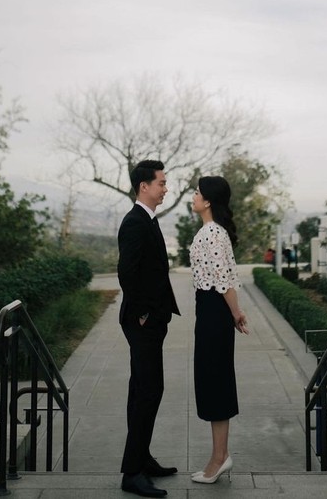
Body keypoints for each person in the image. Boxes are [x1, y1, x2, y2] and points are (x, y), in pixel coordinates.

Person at [117, 159, 180, 498]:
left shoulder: (148, 218)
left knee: (141, 389)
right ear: (144, 186)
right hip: (142, 321)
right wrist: (143, 313)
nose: (165, 188)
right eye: (161, 183)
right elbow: (126, 271)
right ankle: (131, 473)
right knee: (149, 391)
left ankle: (142, 459)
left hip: (153, 319)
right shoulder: (135, 222)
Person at [189, 176, 249, 485]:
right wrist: (234, 314)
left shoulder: (211, 233)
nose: (194, 196)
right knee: (215, 381)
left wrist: (235, 313)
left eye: (197, 192)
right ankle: (219, 456)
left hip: (214, 313)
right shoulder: (213, 231)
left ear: (208, 201)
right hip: (212, 312)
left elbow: (224, 280)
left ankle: (219, 458)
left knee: (215, 382)